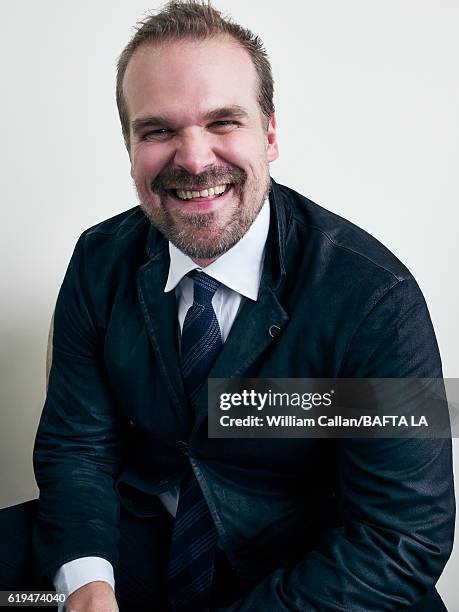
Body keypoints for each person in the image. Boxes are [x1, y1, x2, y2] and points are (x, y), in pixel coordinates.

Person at [0, 1, 455, 610]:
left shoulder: (375, 298)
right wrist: (86, 584)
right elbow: (78, 446)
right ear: (130, 146)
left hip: (307, 577)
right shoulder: (99, 259)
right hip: (138, 551)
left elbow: (402, 538)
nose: (193, 159)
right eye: (158, 130)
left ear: (269, 134)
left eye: (222, 122)